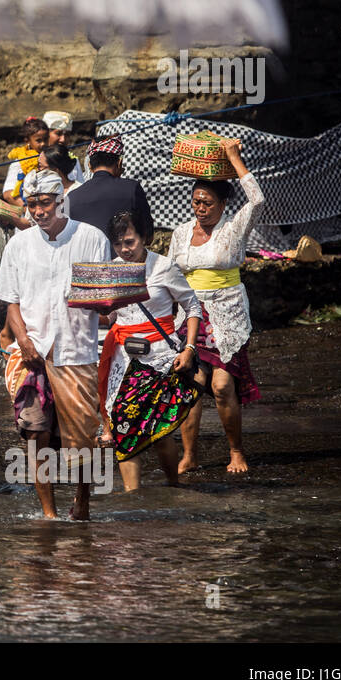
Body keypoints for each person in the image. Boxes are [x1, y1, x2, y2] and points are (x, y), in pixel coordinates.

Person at [0, 169, 114, 520]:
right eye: (32, 205)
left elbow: (105, 299)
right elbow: (10, 301)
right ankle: (48, 512)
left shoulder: (90, 238)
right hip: (31, 354)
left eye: (45, 203)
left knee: (83, 441)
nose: (39, 211)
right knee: (35, 432)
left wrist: (88, 299)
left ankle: (82, 502)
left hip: (77, 350)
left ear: (62, 201)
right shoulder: (19, 244)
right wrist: (22, 339)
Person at [168, 138, 263, 475]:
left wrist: (234, 158)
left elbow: (258, 198)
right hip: (190, 317)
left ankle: (236, 452)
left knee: (222, 385)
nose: (201, 208)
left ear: (224, 203)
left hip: (227, 315)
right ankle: (190, 455)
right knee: (191, 384)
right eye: (196, 202)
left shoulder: (233, 229)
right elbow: (169, 276)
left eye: (207, 202)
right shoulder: (180, 233)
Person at [100, 210, 201, 491]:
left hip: (160, 359)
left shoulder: (164, 267)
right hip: (123, 360)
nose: (124, 249)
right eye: (118, 243)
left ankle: (172, 485)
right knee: (122, 427)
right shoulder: (111, 271)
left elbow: (192, 307)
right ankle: (134, 499)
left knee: (158, 432)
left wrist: (189, 349)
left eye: (130, 241)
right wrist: (93, 309)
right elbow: (109, 318)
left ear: (145, 237)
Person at [66, 134, 153, 240]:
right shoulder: (132, 188)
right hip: (126, 256)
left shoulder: (71, 197)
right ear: (119, 163)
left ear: (89, 166)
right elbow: (148, 236)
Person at [2, 116, 48, 205]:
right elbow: (8, 194)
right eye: (38, 140)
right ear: (27, 140)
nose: (43, 144)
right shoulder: (20, 162)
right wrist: (28, 209)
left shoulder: (51, 156)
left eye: (45, 139)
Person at [42, 110, 85, 183]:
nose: (63, 140)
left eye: (67, 135)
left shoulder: (73, 161)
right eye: (58, 133)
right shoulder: (30, 161)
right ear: (46, 134)